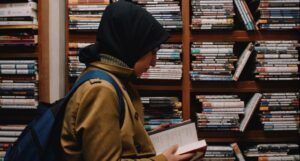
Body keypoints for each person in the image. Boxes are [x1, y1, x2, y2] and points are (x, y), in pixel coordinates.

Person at [60, 0, 196, 161]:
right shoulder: (101, 90)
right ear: (132, 45)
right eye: (152, 52)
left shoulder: (111, 77)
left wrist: (145, 138)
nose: (154, 61)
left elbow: (115, 141)